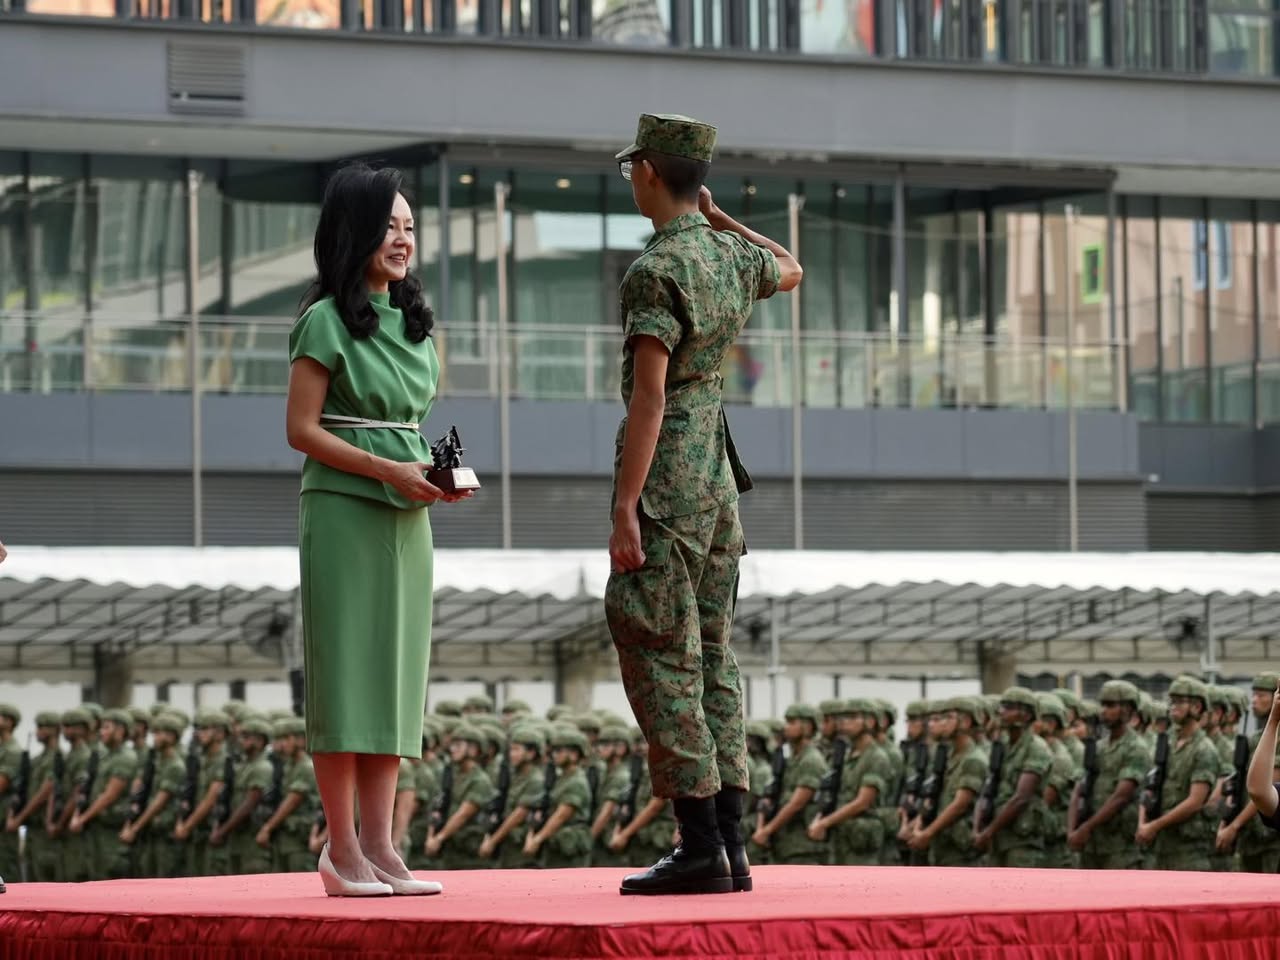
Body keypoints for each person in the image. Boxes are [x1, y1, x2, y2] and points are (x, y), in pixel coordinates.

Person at [604, 112, 802, 896]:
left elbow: (649, 400)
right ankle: (730, 843)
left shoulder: (655, 272)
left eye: (633, 169)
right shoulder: (726, 253)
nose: (631, 181)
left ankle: (696, 845)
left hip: (670, 473)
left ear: (651, 171)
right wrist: (722, 218)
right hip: (718, 477)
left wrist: (626, 507)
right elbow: (790, 267)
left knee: (657, 641)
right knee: (713, 650)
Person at [286, 163, 471, 898]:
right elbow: (301, 430)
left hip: (407, 511)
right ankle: (341, 851)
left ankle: (384, 847)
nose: (402, 239)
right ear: (353, 232)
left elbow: (411, 429)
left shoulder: (420, 327)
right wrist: (384, 470)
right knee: (345, 677)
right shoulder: (324, 320)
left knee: (396, 678)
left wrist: (431, 474)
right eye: (388, 226)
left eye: (410, 227)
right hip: (341, 508)